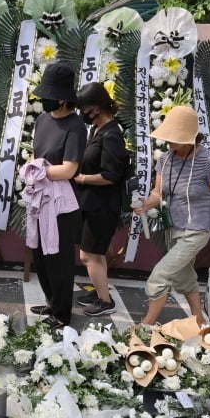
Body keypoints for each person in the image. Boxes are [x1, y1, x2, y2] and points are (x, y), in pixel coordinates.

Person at [135, 106, 210, 326]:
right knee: (184, 275)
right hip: (173, 227)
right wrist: (144, 203)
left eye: (173, 138)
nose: (168, 142)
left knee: (159, 276)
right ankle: (199, 321)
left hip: (197, 229)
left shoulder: (207, 160)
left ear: (189, 137)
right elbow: (158, 193)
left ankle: (147, 325)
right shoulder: (165, 159)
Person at [26, 63, 87, 329]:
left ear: (62, 98)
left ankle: (62, 313)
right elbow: (36, 155)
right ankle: (51, 301)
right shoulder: (42, 120)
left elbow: (70, 169)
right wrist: (35, 170)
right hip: (40, 196)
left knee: (59, 258)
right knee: (40, 254)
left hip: (63, 203)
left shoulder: (76, 126)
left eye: (49, 96)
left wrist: (39, 172)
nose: (44, 101)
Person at [73, 83, 129, 317]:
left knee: (88, 255)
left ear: (96, 108)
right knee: (95, 252)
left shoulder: (112, 134)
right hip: (92, 203)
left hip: (103, 206)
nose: (82, 114)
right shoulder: (97, 129)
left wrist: (83, 178)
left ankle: (105, 302)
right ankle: (100, 291)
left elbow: (110, 176)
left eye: (84, 109)